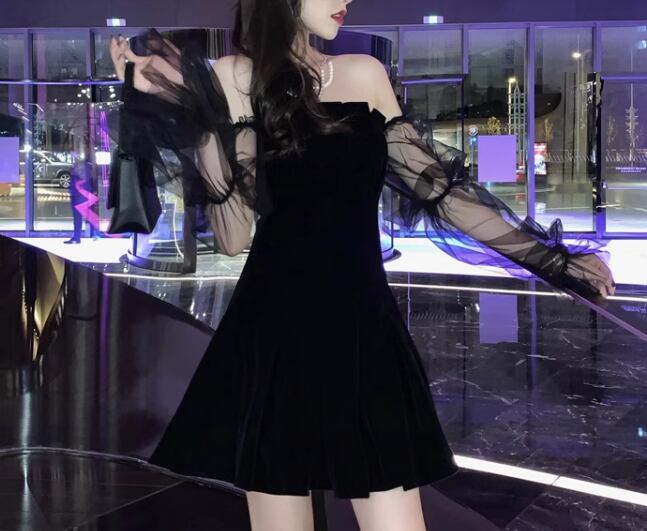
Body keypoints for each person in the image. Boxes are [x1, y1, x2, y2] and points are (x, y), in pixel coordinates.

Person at [109, 1, 615, 530]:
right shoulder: (235, 75)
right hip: (276, 333)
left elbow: (441, 192)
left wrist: (554, 261)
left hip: (364, 328)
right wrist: (202, 121)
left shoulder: (365, 74)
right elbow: (234, 236)